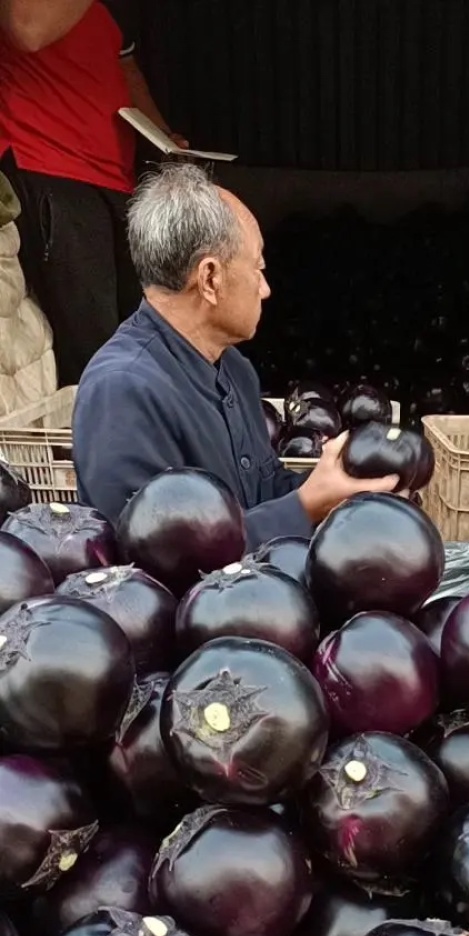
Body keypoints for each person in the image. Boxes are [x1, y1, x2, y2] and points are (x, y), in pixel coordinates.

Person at [72, 163, 399, 543]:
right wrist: (304, 506)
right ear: (210, 278)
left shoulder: (234, 370)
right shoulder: (122, 390)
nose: (265, 288)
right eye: (257, 267)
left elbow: (260, 491)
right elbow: (150, 554)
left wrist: (337, 486)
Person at [0, 0, 185, 385]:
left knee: (136, 347)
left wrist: (167, 141)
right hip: (49, 166)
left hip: (113, 179)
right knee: (91, 357)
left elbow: (125, 66)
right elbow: (27, 28)